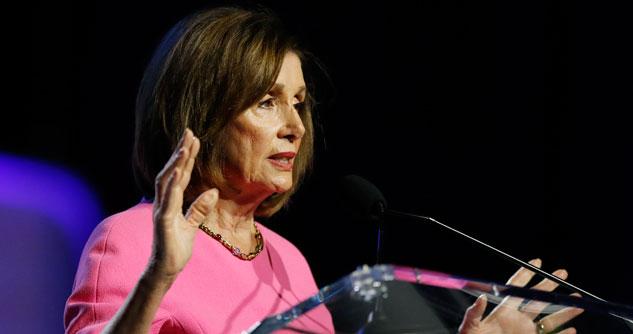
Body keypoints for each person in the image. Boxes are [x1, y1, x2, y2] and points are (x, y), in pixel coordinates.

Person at [64, 6, 582, 334]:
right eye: (267, 102)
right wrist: (159, 277)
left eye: (299, 103)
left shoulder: (291, 262)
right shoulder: (128, 240)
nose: (295, 126)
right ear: (202, 113)